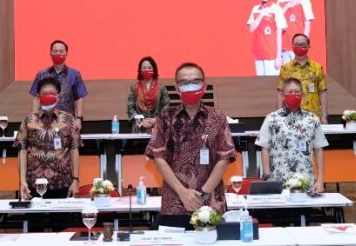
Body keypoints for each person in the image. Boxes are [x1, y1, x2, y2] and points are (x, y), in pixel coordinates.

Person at [146, 62, 236, 227]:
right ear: (177, 87)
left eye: (195, 81)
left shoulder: (217, 117)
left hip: (210, 205)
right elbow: (158, 157)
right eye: (184, 83)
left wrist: (203, 194)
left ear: (204, 85)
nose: (190, 86)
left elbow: (225, 157)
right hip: (174, 205)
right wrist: (182, 192)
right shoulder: (165, 117)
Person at [256, 78, 327, 193]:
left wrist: (320, 179)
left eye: (297, 91)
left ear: (302, 95)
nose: (293, 94)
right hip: (278, 181)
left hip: (305, 182)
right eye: (290, 92)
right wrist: (267, 175)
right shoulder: (272, 119)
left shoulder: (312, 119)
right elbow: (265, 148)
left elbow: (319, 149)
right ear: (282, 95)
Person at [16, 76, 80, 200]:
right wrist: (22, 182)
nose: (48, 96)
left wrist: (76, 180)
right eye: (44, 93)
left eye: (51, 93)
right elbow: (22, 152)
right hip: (33, 185)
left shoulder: (69, 120)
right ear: (38, 96)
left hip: (62, 184)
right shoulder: (28, 121)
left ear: (58, 96)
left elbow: (74, 150)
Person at [29, 39, 88, 132]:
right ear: (50, 54)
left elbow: (79, 98)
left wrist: (79, 119)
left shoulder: (74, 74)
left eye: (61, 51)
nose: (58, 53)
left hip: (68, 121)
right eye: (55, 51)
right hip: (45, 122)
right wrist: (34, 119)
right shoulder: (42, 74)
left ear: (66, 54)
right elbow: (36, 98)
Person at [277, 34, 329, 123]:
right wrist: (279, 114)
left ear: (308, 46)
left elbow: (322, 92)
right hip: (291, 116)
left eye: (302, 44)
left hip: (313, 116)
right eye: (296, 45)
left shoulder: (317, 68)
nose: (299, 47)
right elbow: (280, 92)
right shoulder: (285, 68)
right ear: (292, 47)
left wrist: (324, 115)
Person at [247, 0, 286, 76]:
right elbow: (251, 29)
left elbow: (279, 34)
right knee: (260, 83)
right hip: (258, 55)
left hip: (272, 56)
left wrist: (278, 57)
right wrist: (261, 14)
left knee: (271, 83)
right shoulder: (255, 9)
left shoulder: (276, 9)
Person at [276, 0, 314, 64]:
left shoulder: (304, 0)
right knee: (286, 73)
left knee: (299, 73)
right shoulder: (280, 1)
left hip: (298, 48)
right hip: (284, 48)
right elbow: (276, 21)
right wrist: (287, 6)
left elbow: (307, 24)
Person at [127, 56, 171, 133]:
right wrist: (140, 120)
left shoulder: (161, 88)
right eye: (144, 68)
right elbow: (130, 108)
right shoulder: (134, 89)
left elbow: (166, 107)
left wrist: (156, 120)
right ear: (140, 71)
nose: (147, 70)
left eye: (149, 68)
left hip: (157, 127)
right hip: (139, 127)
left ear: (154, 70)